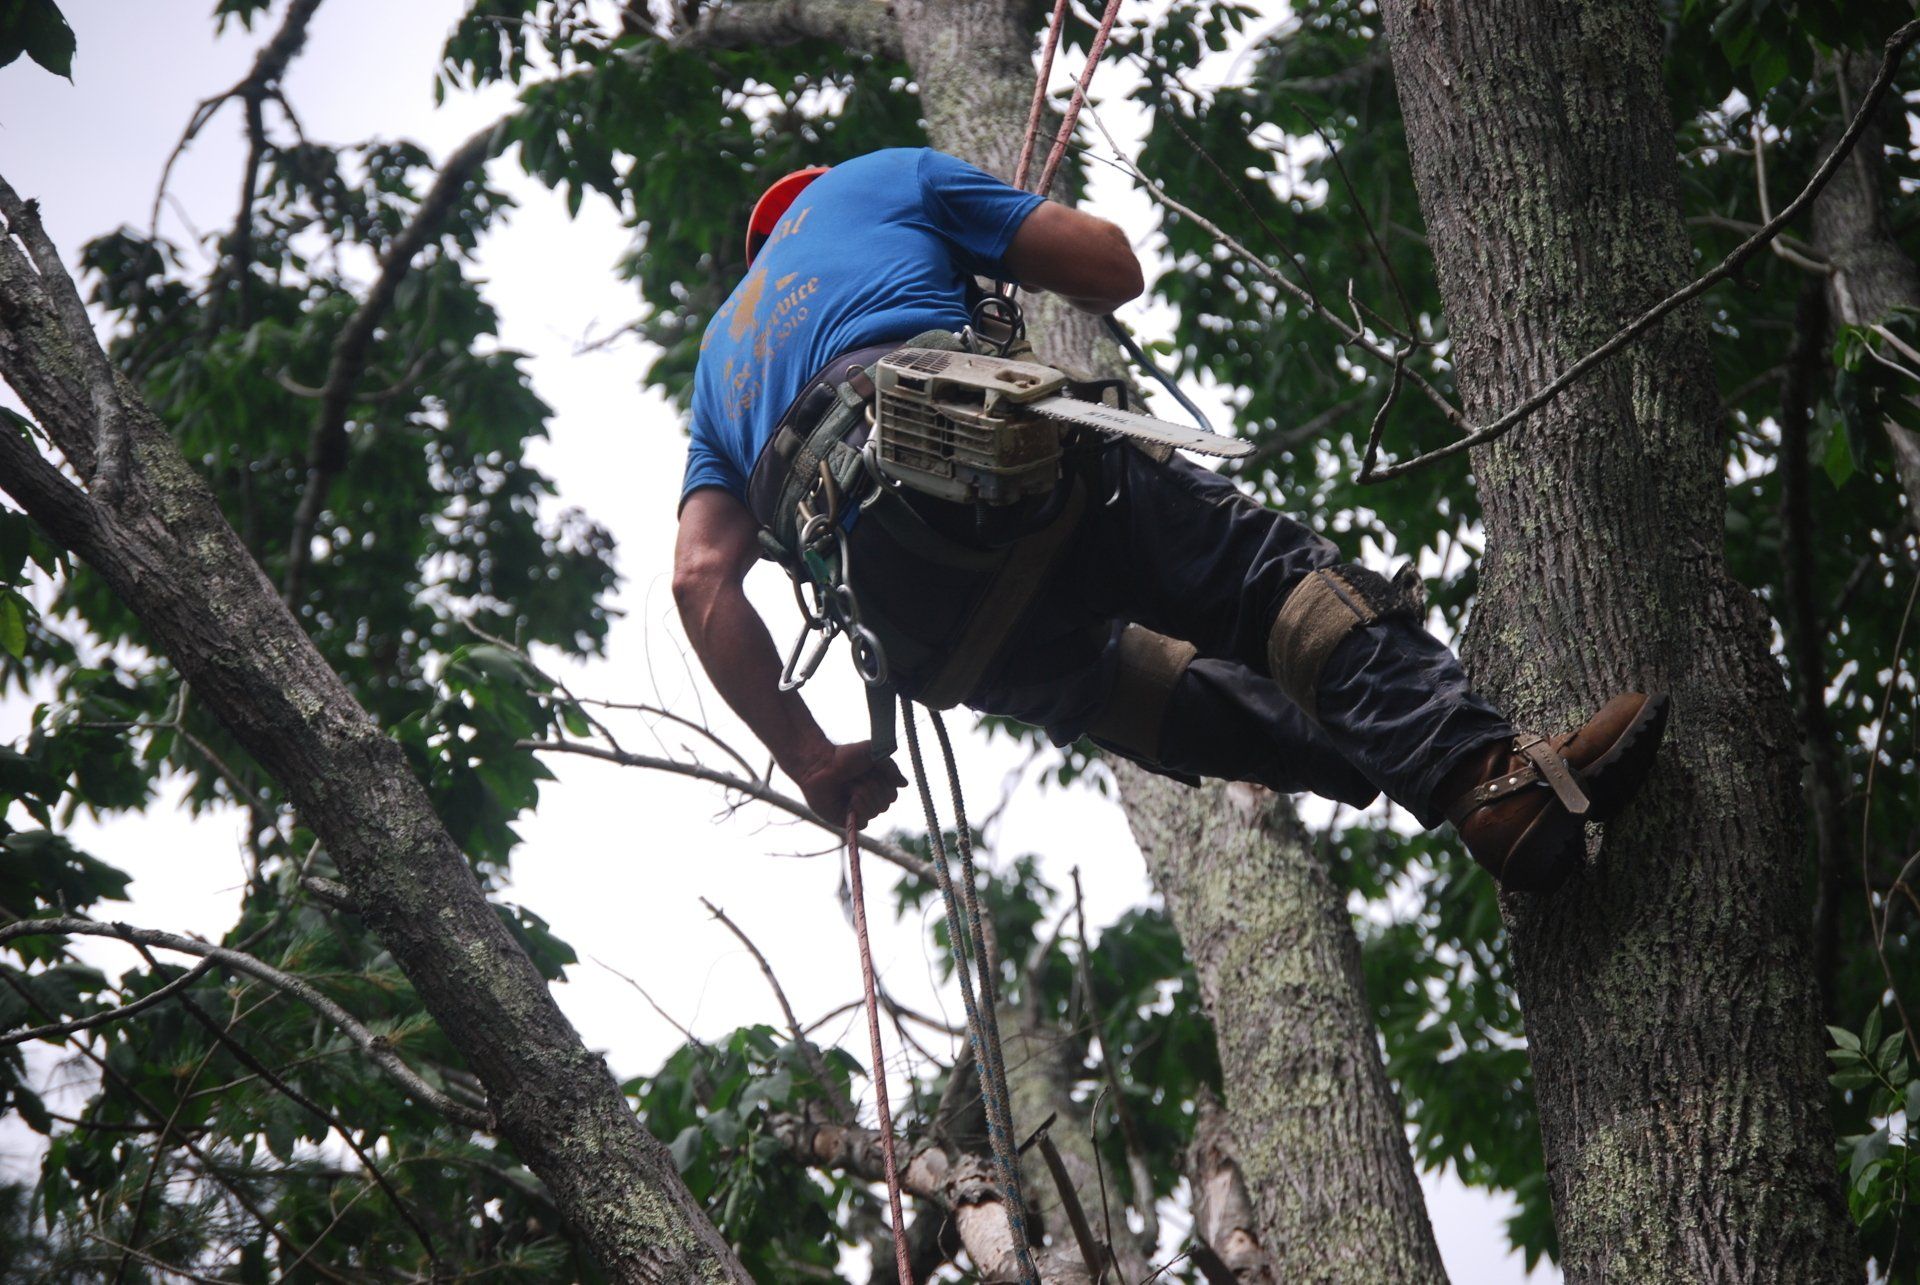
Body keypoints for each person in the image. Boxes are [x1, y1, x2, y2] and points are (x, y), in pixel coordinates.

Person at [672, 148, 1668, 892]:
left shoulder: (721, 364)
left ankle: (1476, 794)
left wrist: (811, 756)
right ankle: (1486, 778)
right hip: (998, 467)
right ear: (820, 192)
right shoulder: (879, 181)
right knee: (1269, 588)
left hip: (933, 629)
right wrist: (981, 267)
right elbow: (1109, 267)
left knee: (1161, 691)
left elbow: (700, 576)